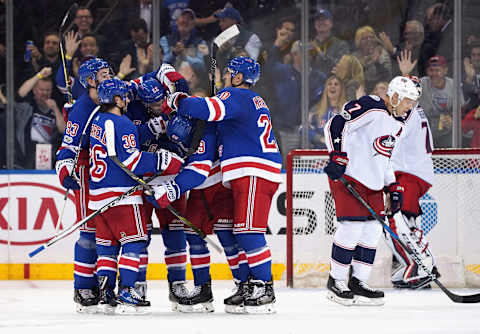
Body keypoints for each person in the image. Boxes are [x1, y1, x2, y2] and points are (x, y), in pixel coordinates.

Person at [159, 56, 282, 313]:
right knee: (240, 232)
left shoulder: (235, 95)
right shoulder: (249, 100)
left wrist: (177, 100)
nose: (225, 78)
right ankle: (248, 286)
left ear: (238, 77)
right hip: (249, 170)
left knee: (248, 232)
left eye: (229, 74)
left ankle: (263, 288)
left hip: (253, 170)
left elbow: (205, 110)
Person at [323, 76, 420, 306]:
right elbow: (335, 124)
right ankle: (336, 281)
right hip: (349, 176)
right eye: (408, 101)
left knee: (373, 231)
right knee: (352, 228)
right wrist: (337, 156)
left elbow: (385, 156)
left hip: (374, 182)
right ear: (395, 96)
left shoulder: (400, 122)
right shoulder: (371, 106)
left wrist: (392, 185)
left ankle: (359, 282)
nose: (411, 107)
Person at [91, 78, 183, 314]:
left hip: (98, 197)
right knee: (135, 241)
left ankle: (105, 292)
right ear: (117, 99)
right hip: (121, 197)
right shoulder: (122, 123)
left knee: (107, 247)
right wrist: (164, 160)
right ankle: (127, 292)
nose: (128, 100)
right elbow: (132, 161)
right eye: (125, 96)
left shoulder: (98, 121)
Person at [55, 58, 112, 313]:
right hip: (86, 174)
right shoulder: (82, 108)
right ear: (90, 81)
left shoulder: (113, 97)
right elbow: (67, 146)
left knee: (109, 234)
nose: (108, 76)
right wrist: (65, 170)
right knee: (89, 233)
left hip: (111, 175)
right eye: (102, 74)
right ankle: (83, 286)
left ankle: (106, 284)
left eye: (108, 72)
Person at [387, 75, 438, 289]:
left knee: (395, 220)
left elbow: (389, 147)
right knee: (407, 222)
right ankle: (420, 265)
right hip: (416, 173)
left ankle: (421, 265)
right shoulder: (415, 112)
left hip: (409, 173)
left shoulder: (405, 114)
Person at [15, 71, 65, 169]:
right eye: (42, 90)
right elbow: (20, 94)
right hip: (27, 158)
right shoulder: (27, 106)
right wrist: (39, 75)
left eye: (48, 90)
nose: (45, 93)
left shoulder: (56, 106)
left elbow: (64, 130)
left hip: (50, 157)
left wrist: (55, 109)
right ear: (34, 90)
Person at [307, 75, 347, 149]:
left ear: (341, 89)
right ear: (326, 88)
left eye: (336, 84)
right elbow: (303, 128)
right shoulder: (316, 110)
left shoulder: (348, 110)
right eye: (329, 84)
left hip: (341, 152)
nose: (332, 86)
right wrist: (320, 139)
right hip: (320, 153)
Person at [352, 26, 392, 94]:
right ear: (358, 42)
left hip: (381, 90)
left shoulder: (381, 52)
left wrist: (377, 62)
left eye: (371, 37)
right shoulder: (354, 57)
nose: (369, 40)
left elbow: (387, 75)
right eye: (364, 38)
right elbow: (354, 79)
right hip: (361, 91)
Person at [310, 8, 349, 75]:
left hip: (333, 83)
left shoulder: (341, 45)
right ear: (314, 25)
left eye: (324, 19)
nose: (321, 22)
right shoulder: (309, 45)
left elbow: (342, 66)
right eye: (318, 19)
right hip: (312, 84)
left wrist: (320, 53)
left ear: (331, 23)